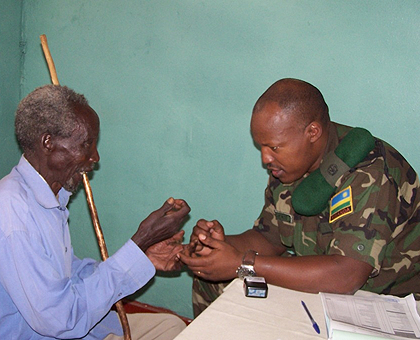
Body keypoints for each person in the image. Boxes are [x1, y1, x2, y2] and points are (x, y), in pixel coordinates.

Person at [179, 78, 420, 317]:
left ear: (312, 132)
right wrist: (221, 248)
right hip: (325, 282)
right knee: (212, 279)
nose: (265, 158)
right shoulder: (288, 164)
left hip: (386, 301)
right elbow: (271, 238)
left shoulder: (370, 173)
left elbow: (347, 276)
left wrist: (244, 263)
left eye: (273, 147)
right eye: (261, 146)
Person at [0, 84, 191, 339]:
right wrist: (140, 239)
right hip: (52, 331)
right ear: (48, 143)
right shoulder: (14, 214)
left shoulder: (48, 199)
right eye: (86, 144)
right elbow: (61, 319)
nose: (95, 157)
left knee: (172, 327)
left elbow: (70, 277)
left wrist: (143, 255)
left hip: (79, 325)